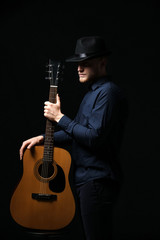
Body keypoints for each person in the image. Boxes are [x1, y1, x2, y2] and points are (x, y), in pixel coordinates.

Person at [20, 36, 128, 240]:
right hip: (85, 181)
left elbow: (93, 138)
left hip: (97, 180)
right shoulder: (92, 94)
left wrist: (59, 117)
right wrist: (42, 138)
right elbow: (75, 132)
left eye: (86, 63)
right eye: (78, 63)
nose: (79, 68)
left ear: (102, 62)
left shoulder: (108, 94)